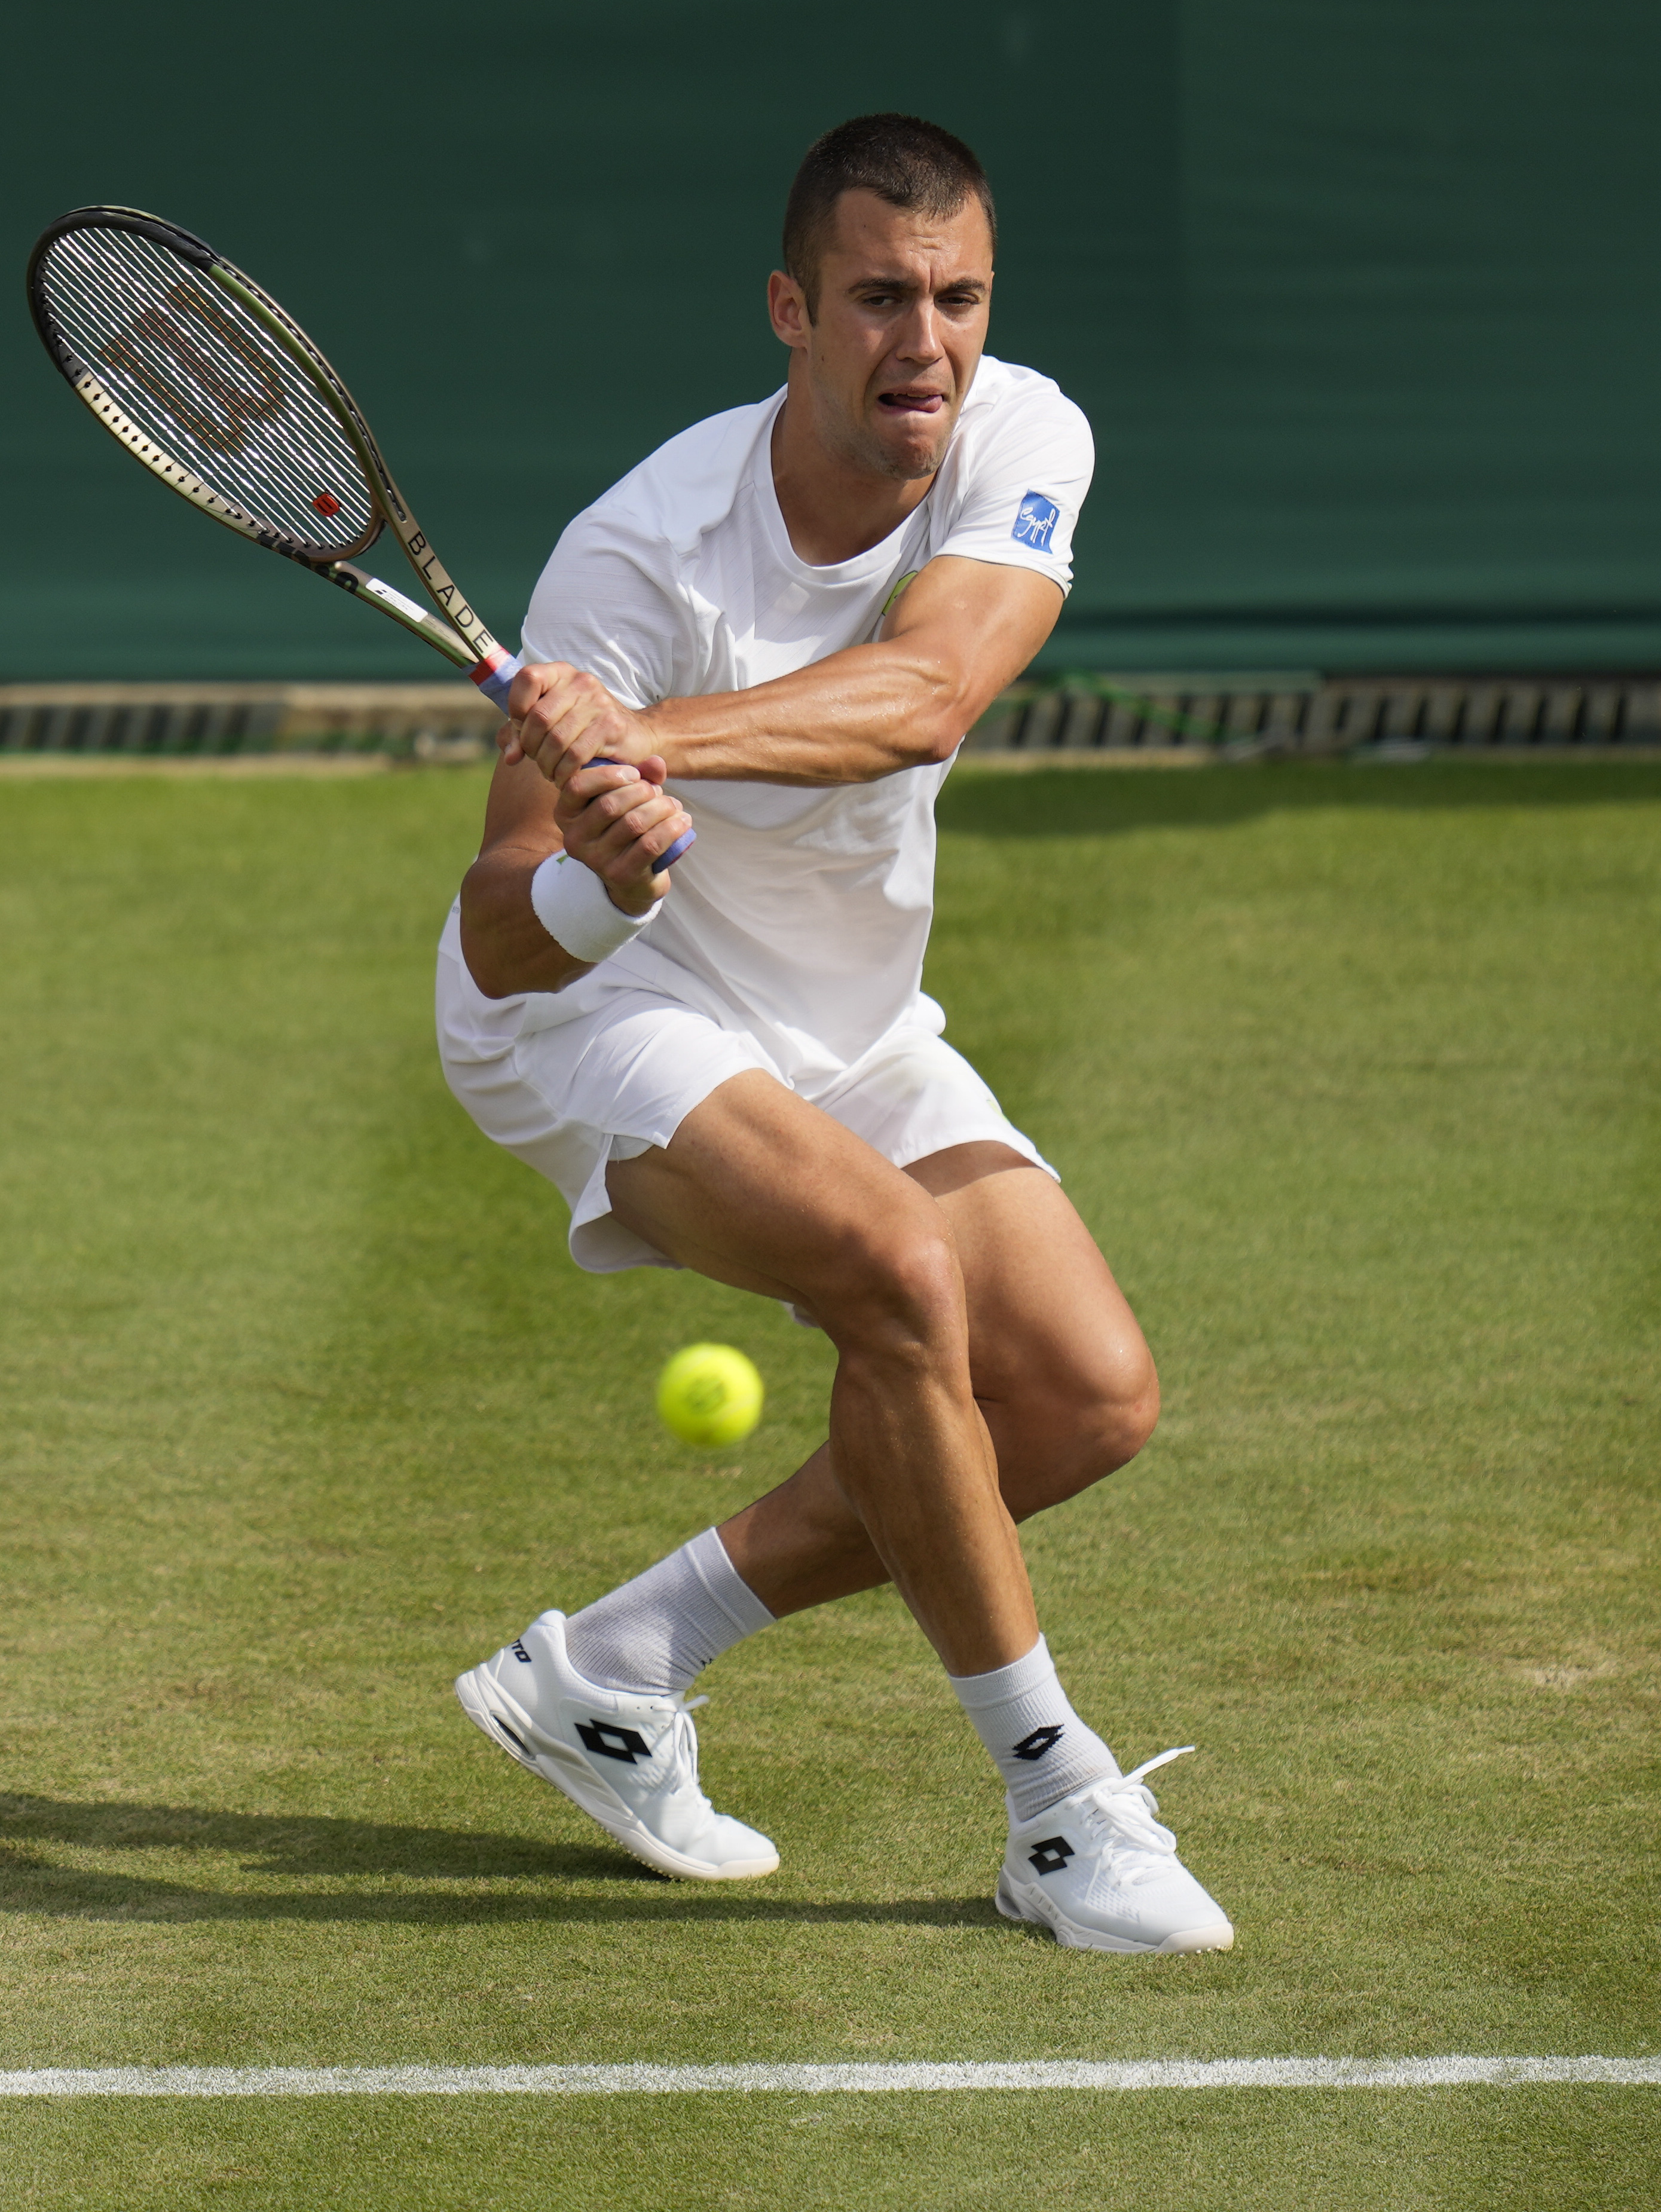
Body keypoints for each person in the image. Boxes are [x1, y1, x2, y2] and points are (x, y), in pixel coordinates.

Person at [440, 114, 1231, 1954]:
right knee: (897, 1273)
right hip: (603, 1014)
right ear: (791, 311)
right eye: (880, 298)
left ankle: (619, 1665)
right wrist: (606, 873)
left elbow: (933, 692)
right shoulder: (635, 554)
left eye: (957, 297)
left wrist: (646, 741)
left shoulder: (1019, 436)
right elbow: (506, 924)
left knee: (1086, 1395)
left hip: (848, 1019)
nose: (926, 344)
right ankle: (1059, 1806)